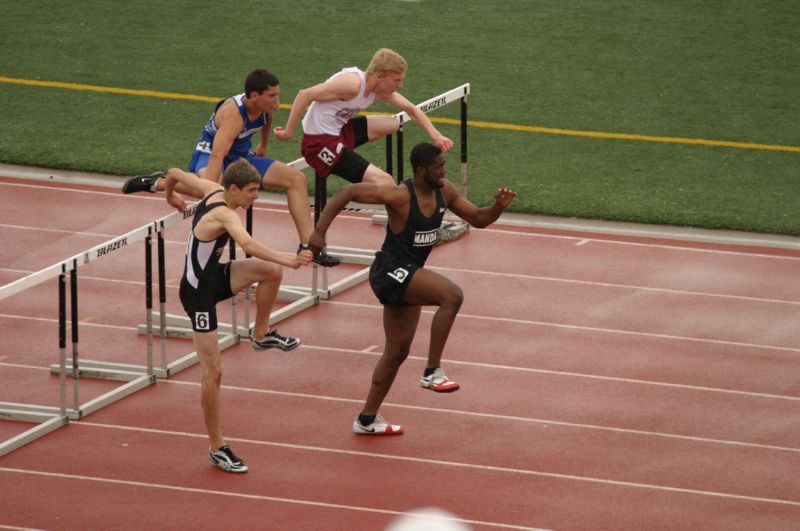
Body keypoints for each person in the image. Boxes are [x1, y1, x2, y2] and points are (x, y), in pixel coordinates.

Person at [309, 142, 516, 435]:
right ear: (421, 171)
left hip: (407, 275)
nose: (444, 172)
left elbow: (479, 219)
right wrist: (318, 232)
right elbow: (347, 192)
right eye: (438, 168)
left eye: (444, 166)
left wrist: (498, 207)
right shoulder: (400, 196)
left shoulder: (445, 191)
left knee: (396, 353)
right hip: (388, 271)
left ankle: (366, 419)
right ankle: (432, 372)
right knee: (452, 295)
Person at [165, 159, 312, 473]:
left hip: (215, 276)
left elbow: (176, 174)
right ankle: (217, 446)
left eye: (257, 190)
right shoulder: (223, 212)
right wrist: (290, 258)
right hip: (197, 294)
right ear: (233, 189)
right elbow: (246, 243)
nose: (256, 197)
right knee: (213, 373)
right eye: (251, 191)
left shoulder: (212, 189)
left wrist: (170, 195)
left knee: (270, 273)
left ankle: (260, 334)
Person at [122, 69, 338, 266]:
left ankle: (309, 247)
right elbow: (217, 155)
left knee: (296, 179)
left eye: (277, 95)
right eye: (272, 96)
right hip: (211, 154)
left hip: (241, 156)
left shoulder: (265, 107)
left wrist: (263, 144)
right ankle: (157, 182)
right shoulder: (233, 114)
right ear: (254, 95)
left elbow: (267, 120)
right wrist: (211, 192)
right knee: (209, 193)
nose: (277, 101)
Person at [274, 48, 455, 185]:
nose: (401, 85)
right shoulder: (351, 84)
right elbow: (304, 95)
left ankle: (346, 152)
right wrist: (289, 132)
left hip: (339, 131)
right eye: (397, 80)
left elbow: (411, 109)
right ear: (380, 77)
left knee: (392, 124)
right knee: (386, 182)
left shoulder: (379, 91)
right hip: (318, 143)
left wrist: (436, 135)